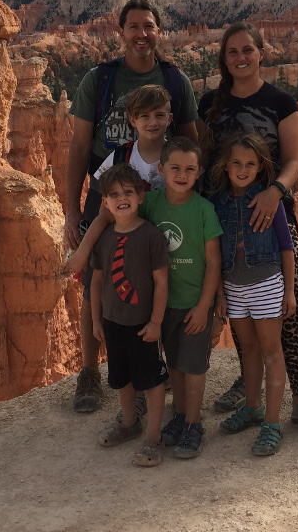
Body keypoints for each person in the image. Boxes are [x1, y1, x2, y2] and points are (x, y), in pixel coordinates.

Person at [198, 22, 298, 439]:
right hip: (225, 222)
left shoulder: (281, 102)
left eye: (247, 50)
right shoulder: (210, 103)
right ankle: (253, 399)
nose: (240, 58)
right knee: (241, 312)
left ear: (262, 53)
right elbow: (204, 162)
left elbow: (294, 161)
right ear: (225, 60)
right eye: (232, 53)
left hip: (271, 215)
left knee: (292, 316)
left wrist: (275, 192)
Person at [66, 0, 198, 413]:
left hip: (161, 200)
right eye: (134, 27)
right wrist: (72, 208)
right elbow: (79, 145)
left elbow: (193, 143)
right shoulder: (99, 78)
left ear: (160, 31)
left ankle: (150, 369)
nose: (142, 34)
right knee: (95, 282)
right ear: (121, 31)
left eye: (150, 26)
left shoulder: (175, 81)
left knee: (155, 278)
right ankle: (90, 373)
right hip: (109, 193)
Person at [210, 132, 295, 456]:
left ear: (260, 167)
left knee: (272, 351)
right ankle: (253, 406)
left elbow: (286, 247)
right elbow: (215, 252)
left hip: (266, 285)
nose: (243, 169)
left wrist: (288, 291)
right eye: (237, 163)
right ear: (227, 166)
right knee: (248, 349)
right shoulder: (218, 202)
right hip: (233, 287)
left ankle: (272, 423)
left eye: (250, 164)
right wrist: (220, 293)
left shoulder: (269, 199)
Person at [140, 137, 223, 459]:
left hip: (193, 303)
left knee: (194, 366)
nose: (182, 174)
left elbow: (214, 261)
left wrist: (205, 306)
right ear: (161, 169)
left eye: (190, 169)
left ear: (199, 172)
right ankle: (177, 415)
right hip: (163, 305)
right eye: (175, 167)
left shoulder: (204, 209)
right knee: (173, 361)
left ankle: (193, 423)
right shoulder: (151, 203)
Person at [89, 163, 170, 467]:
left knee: (150, 380)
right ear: (106, 203)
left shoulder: (151, 236)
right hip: (112, 322)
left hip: (143, 325)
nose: (121, 198)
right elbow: (97, 281)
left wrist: (156, 322)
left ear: (140, 197)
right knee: (122, 377)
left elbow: (162, 281)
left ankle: (153, 437)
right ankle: (128, 422)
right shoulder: (104, 238)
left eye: (128, 192)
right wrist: (97, 320)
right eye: (113, 194)